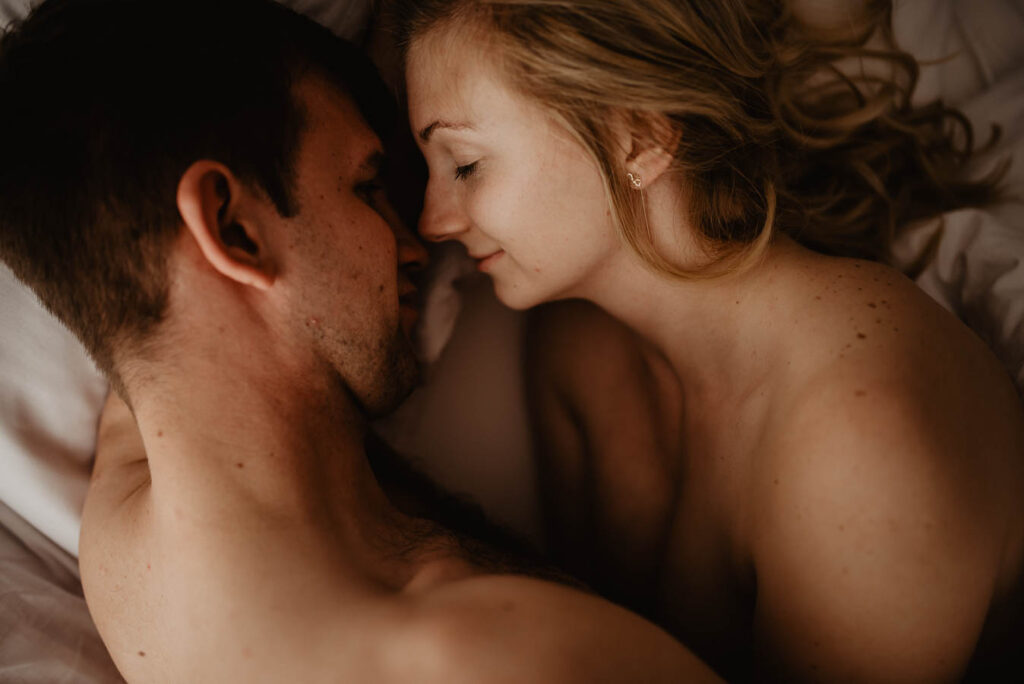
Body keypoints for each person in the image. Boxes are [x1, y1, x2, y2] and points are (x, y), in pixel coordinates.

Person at [0, 0, 721, 681]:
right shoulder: (489, 659)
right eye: (368, 186)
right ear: (232, 229)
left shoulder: (126, 540)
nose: (420, 240)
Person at [395, 0, 1024, 679]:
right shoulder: (576, 350)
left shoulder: (857, 445)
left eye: (465, 165)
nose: (432, 222)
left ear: (637, 137)